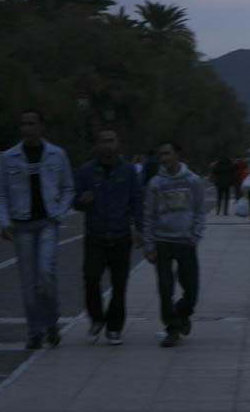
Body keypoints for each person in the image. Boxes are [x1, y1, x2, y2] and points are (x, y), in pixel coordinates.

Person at [0, 110, 74, 349]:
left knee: (46, 274)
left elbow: (69, 188)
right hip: (22, 225)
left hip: (47, 223)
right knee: (28, 283)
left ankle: (51, 321)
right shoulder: (9, 157)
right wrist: (4, 221)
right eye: (23, 124)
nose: (26, 128)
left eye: (31, 123)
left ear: (41, 126)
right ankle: (35, 330)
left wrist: (59, 214)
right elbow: (0, 194)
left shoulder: (57, 155)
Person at [73, 127, 144, 345]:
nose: (107, 144)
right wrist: (81, 201)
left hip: (121, 235)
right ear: (97, 144)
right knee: (91, 279)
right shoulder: (86, 171)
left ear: (117, 143)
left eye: (111, 140)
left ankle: (114, 327)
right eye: (103, 140)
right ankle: (96, 317)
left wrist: (139, 229)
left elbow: (136, 201)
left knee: (119, 284)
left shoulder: (128, 171)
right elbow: (73, 200)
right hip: (96, 235)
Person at [143, 141, 205, 348]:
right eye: (161, 154)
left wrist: (194, 236)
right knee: (165, 288)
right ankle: (172, 329)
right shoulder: (156, 183)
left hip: (186, 241)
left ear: (177, 154)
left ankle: (182, 313)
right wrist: (149, 245)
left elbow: (199, 211)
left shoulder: (193, 181)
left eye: (168, 153)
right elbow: (149, 215)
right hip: (163, 241)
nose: (164, 158)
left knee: (192, 289)